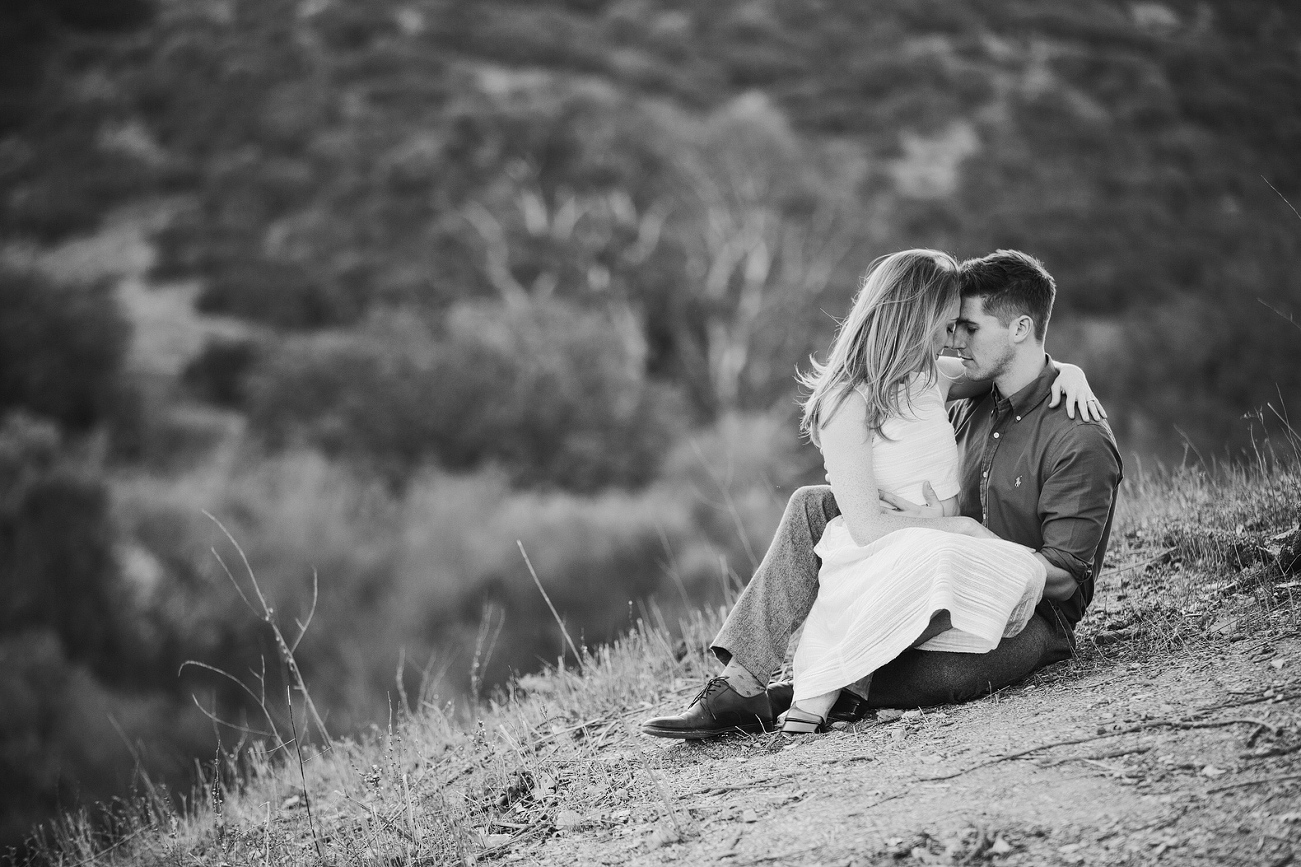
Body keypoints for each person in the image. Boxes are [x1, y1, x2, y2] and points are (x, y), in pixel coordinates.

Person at [641, 248, 1122, 739]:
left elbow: (1063, 576)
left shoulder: (1076, 436)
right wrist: (941, 529)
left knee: (949, 676)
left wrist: (965, 541)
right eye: (950, 325)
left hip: (1024, 610)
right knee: (813, 503)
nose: (952, 340)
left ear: (1020, 329)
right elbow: (893, 471)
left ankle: (802, 692)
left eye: (967, 328)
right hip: (923, 561)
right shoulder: (969, 393)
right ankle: (740, 683)